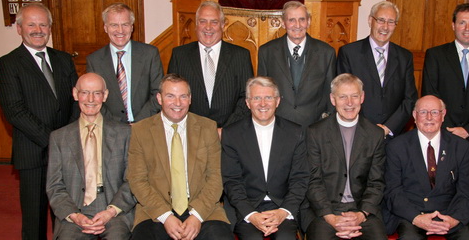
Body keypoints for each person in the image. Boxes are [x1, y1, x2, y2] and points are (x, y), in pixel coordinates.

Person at [0, 3, 78, 239]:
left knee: (66, 216)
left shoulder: (63, 59)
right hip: (33, 153)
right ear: (19, 28)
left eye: (43, 24)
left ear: (50, 28)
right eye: (31, 24)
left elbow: (76, 100)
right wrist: (54, 142)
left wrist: (67, 140)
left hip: (68, 153)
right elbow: (15, 112)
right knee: (35, 220)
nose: (38, 29)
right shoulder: (7, 64)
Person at [127, 74, 233, 240]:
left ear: (190, 99)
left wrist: (197, 216)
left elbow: (216, 177)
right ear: (159, 98)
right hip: (155, 211)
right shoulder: (141, 131)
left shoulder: (207, 127)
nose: (177, 103)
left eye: (183, 96)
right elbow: (137, 180)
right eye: (170, 96)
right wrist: (166, 216)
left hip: (204, 210)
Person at [46, 73, 135, 239]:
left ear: (105, 95)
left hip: (113, 207)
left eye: (97, 93)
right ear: (75, 94)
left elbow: (132, 180)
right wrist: (75, 215)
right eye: (85, 92)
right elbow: (54, 186)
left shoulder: (125, 133)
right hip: (74, 208)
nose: (91, 99)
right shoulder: (59, 137)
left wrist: (111, 211)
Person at [221, 76, 309, 239]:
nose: (263, 104)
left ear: (277, 101)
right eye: (256, 98)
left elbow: (300, 178)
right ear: (247, 102)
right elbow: (232, 181)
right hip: (246, 207)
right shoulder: (231, 134)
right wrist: (251, 214)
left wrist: (283, 212)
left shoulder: (295, 132)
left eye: (268, 98)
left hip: (283, 206)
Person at [305, 73, 386, 239]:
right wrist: (330, 217)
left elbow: (376, 182)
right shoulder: (315, 133)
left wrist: (361, 214)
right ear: (333, 99)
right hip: (325, 210)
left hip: (362, 209)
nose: (349, 103)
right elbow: (313, 181)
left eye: (354, 96)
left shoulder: (375, 134)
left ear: (362, 97)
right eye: (343, 97)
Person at [384, 95, 469, 239]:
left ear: (443, 115)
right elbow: (393, 191)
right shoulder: (397, 146)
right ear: (414, 115)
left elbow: (466, 191)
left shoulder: (461, 147)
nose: (429, 117)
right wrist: (416, 218)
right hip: (411, 217)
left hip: (448, 216)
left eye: (434, 112)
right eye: (423, 112)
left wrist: (454, 219)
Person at [168, 1, 253, 133]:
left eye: (214, 22)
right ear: (196, 25)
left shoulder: (240, 56)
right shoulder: (180, 55)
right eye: (202, 21)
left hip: (229, 134)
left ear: (223, 25)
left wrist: (226, 130)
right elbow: (171, 96)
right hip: (189, 132)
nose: (208, 27)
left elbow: (247, 97)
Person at [337, 1, 417, 138]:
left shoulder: (405, 57)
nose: (385, 27)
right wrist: (368, 129)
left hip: (393, 135)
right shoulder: (349, 53)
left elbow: (410, 99)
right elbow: (343, 96)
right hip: (359, 134)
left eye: (391, 22)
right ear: (370, 21)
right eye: (381, 20)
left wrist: (389, 127)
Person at [421, 3, 469, 140]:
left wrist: (468, 129)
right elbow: (430, 94)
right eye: (462, 22)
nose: (467, 28)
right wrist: (448, 128)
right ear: (453, 25)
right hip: (441, 132)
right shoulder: (435, 55)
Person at [258, 0, 336, 128]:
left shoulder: (326, 52)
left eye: (302, 19)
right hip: (277, 124)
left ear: (308, 21)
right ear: (283, 23)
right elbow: (262, 91)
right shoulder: (267, 51)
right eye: (291, 20)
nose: (297, 25)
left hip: (315, 125)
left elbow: (330, 91)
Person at [87, 3, 164, 124]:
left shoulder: (150, 54)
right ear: (105, 28)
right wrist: (118, 125)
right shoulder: (94, 60)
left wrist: (139, 123)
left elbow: (159, 92)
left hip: (146, 125)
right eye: (114, 25)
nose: (120, 30)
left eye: (125, 24)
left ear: (132, 27)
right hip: (111, 128)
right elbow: (94, 100)